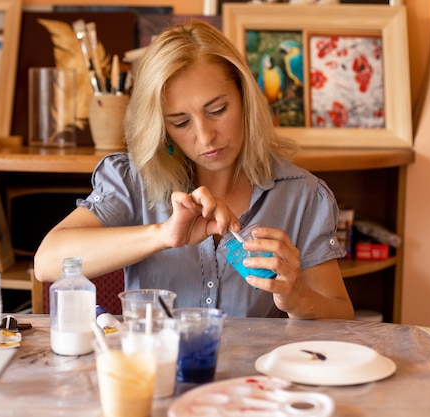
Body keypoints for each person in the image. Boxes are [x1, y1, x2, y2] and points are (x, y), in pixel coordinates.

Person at [35, 20, 354, 320]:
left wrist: (298, 298)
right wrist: (161, 234)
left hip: (254, 378)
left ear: (245, 98)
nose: (205, 136)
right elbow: (47, 262)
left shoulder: (301, 195)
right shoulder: (134, 181)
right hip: (153, 372)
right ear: (162, 127)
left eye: (217, 110)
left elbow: (343, 316)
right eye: (181, 122)